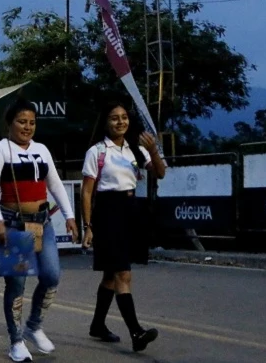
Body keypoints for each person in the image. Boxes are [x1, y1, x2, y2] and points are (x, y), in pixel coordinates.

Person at [0, 98, 78, 362]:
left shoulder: (42, 150)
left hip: (41, 222)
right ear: (9, 123)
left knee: (51, 275)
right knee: (17, 283)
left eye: (32, 122)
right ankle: (16, 341)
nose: (27, 127)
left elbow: (56, 184)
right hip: (12, 223)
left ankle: (34, 325)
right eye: (21, 122)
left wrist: (70, 216)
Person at [81, 101, 166, 352]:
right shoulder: (97, 152)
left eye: (124, 117)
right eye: (114, 118)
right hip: (108, 212)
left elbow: (160, 173)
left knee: (111, 273)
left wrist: (153, 151)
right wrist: (89, 225)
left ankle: (97, 325)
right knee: (122, 274)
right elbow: (87, 192)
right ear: (105, 122)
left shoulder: (135, 151)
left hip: (131, 211)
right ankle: (136, 332)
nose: (120, 122)